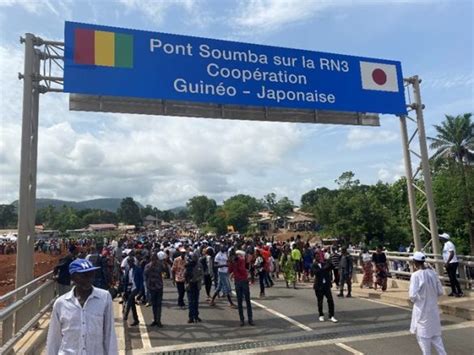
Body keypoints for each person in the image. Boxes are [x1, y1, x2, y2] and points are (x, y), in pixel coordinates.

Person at [46, 259, 118, 355]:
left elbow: (109, 334)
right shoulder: (61, 303)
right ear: (73, 277)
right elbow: (54, 339)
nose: (89, 279)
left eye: (91, 274)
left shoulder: (104, 298)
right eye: (83, 275)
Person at [409, 252, 446, 355]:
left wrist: (420, 298)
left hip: (422, 313)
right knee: (438, 342)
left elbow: (412, 295)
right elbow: (440, 291)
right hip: (433, 312)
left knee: (424, 343)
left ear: (415, 263)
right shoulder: (433, 273)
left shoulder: (415, 276)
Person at [229, 250, 254, 326]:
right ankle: (242, 319)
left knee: (247, 301)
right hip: (237, 282)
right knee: (239, 302)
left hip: (244, 281)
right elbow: (229, 270)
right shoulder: (233, 262)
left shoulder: (241, 260)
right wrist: (231, 264)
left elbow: (242, 270)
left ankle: (250, 319)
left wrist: (235, 264)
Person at [311, 252, 338, 323]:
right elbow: (316, 272)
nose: (318, 257)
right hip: (319, 286)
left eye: (319, 256)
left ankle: (331, 315)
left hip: (326, 285)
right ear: (314, 257)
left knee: (330, 300)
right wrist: (324, 269)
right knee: (320, 301)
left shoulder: (324, 263)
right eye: (316, 256)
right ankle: (321, 315)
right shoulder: (314, 265)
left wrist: (329, 260)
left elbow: (331, 266)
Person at [144, 252, 165, 327]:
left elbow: (164, 270)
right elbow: (145, 274)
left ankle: (158, 320)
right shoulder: (148, 266)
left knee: (158, 304)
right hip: (152, 287)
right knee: (154, 305)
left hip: (158, 287)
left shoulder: (159, 265)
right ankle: (155, 319)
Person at [439, 233, 463, 297]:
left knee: (453, 278)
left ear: (444, 238)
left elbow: (452, 253)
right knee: (451, 278)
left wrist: (447, 262)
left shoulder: (449, 244)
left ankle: (460, 291)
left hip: (452, 263)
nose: (440, 239)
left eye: (441, 237)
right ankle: (454, 291)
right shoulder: (445, 244)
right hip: (449, 263)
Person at [123, 257, 143, 326]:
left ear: (133, 262)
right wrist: (124, 290)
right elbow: (126, 280)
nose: (129, 263)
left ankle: (126, 315)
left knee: (130, 299)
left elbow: (141, 280)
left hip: (135, 287)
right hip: (129, 288)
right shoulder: (127, 269)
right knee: (132, 304)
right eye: (128, 262)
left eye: (131, 262)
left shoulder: (138, 269)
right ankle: (136, 320)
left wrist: (141, 290)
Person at [185, 252, 203, 323]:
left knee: (196, 302)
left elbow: (202, 274)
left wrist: (197, 279)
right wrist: (189, 280)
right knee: (190, 302)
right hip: (190, 285)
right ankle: (191, 317)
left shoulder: (199, 265)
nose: (195, 258)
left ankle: (196, 316)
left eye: (196, 257)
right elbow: (185, 275)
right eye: (194, 257)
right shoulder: (188, 265)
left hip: (196, 285)